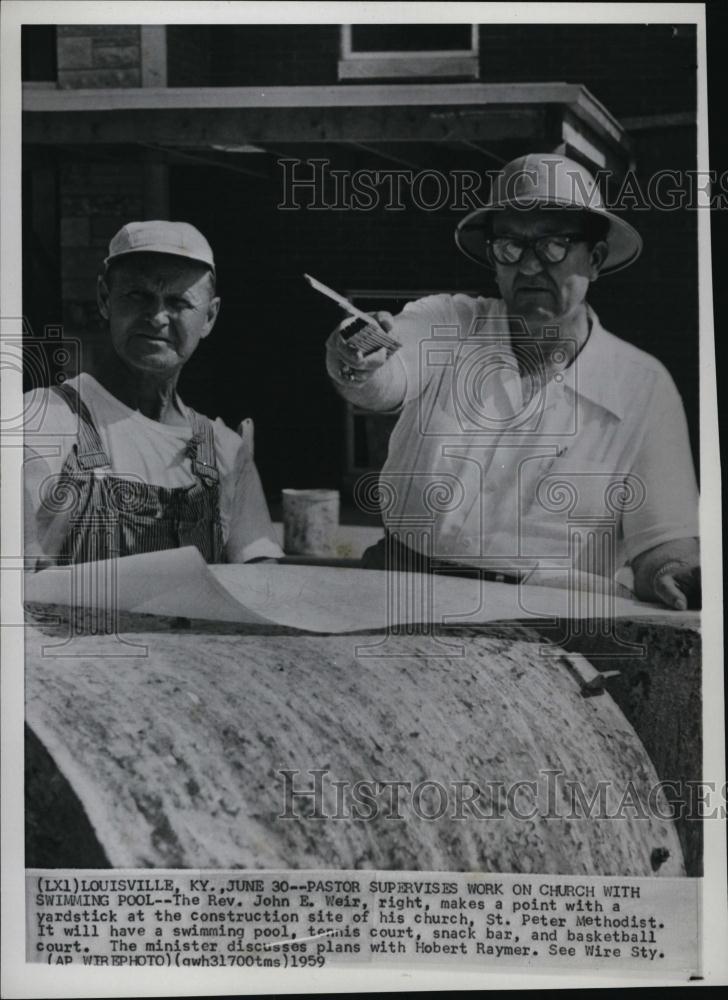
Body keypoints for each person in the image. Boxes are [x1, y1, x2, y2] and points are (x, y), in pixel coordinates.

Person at [325, 154, 700, 609]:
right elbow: (385, 376)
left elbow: (664, 539)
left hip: (547, 624)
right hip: (401, 593)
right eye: (510, 247)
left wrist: (670, 571)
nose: (527, 267)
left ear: (596, 259)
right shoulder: (450, 322)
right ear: (493, 258)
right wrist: (360, 357)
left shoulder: (643, 386)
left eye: (554, 246)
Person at [24, 220, 283, 568]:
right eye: (138, 296)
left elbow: (261, 579)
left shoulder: (225, 451)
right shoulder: (45, 419)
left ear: (209, 317)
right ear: (105, 300)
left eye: (178, 302)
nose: (158, 316)